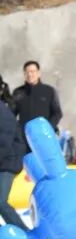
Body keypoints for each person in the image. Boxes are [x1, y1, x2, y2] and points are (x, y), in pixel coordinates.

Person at [0, 75, 28, 230]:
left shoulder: (2, 111)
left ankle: (25, 233)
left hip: (8, 161)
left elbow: (4, 143)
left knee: (1, 202)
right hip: (4, 159)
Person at [13, 61, 62, 135]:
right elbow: (11, 114)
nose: (29, 74)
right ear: (24, 74)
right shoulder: (18, 92)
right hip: (23, 137)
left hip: (43, 136)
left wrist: (48, 128)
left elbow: (57, 113)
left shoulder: (49, 91)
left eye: (32, 71)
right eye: (27, 72)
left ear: (39, 73)